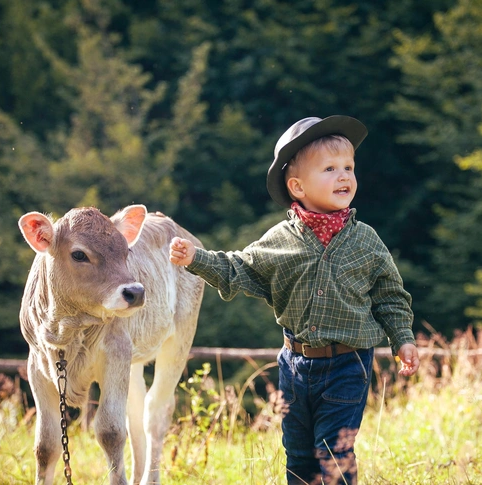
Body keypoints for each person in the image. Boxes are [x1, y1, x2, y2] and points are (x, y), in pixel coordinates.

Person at [169, 115, 420, 484]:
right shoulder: (280, 240)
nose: (344, 176)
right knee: (299, 454)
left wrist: (404, 338)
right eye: (330, 168)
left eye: (349, 167)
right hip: (295, 365)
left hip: (349, 364)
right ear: (297, 186)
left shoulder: (366, 240)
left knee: (333, 450)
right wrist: (196, 258)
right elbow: (238, 267)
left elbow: (390, 296)